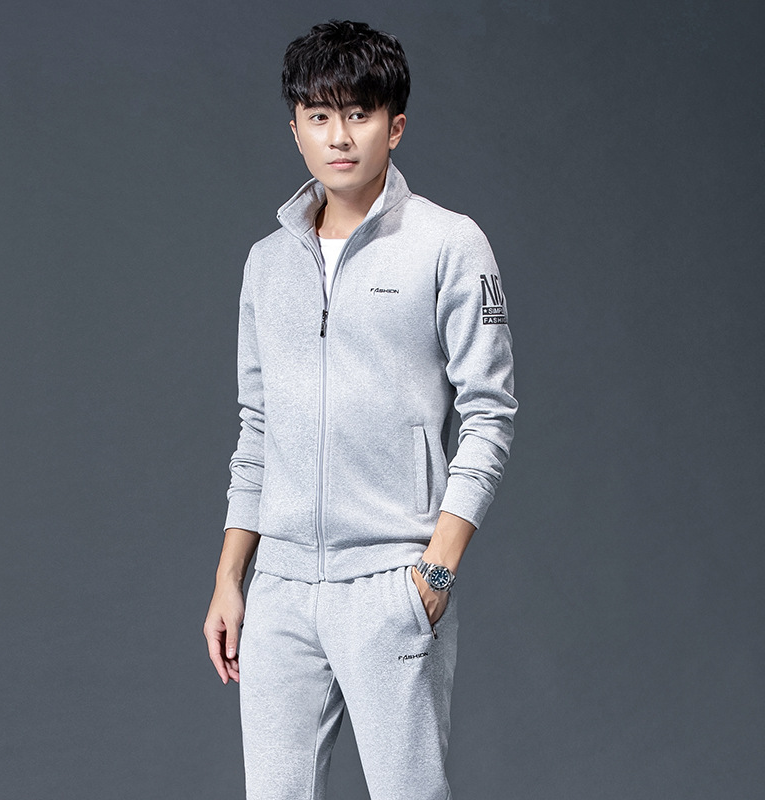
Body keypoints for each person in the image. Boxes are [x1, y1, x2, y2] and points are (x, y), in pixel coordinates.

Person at [203, 19, 517, 800]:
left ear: (394, 126)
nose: (338, 136)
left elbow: (489, 414)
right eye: (319, 116)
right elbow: (257, 427)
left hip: (391, 583)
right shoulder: (267, 264)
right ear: (295, 128)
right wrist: (231, 577)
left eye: (358, 113)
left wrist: (434, 572)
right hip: (279, 592)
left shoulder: (449, 244)